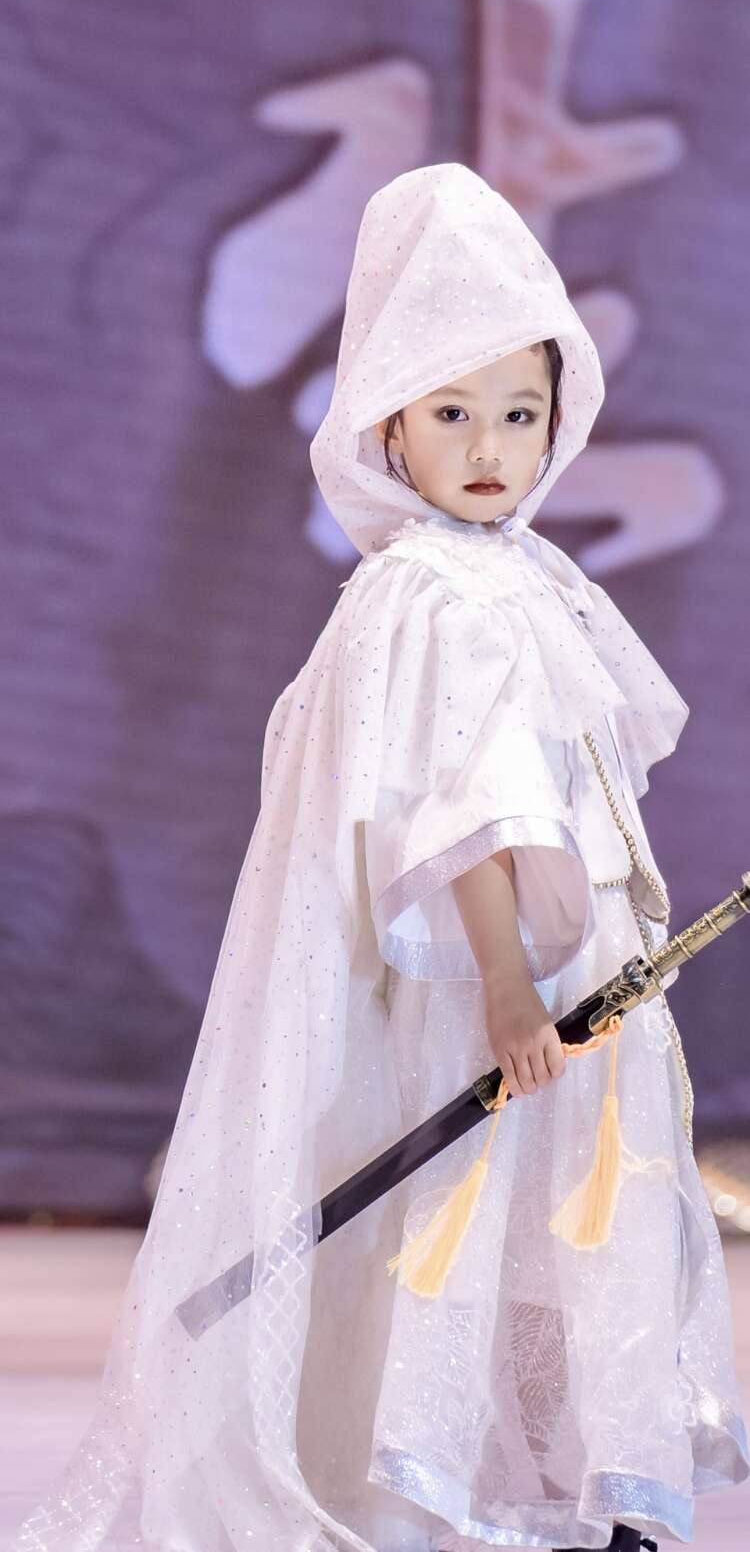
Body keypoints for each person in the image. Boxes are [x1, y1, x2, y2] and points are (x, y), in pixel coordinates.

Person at [12, 162, 748, 1552]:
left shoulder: (520, 577)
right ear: (389, 424)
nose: (489, 446)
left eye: (518, 412)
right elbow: (460, 810)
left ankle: (577, 1485)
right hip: (493, 977)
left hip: (574, 965)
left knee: (573, 1217)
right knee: (490, 1218)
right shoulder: (427, 591)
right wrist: (506, 984)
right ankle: (462, 1487)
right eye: (450, 412)